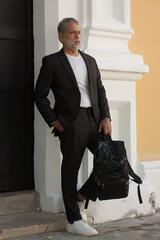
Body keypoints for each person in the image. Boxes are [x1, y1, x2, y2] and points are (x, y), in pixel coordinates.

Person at [35, 17, 112, 236]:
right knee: (70, 170)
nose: (77, 36)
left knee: (110, 162)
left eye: (78, 32)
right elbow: (39, 96)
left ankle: (81, 196)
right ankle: (73, 219)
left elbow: (101, 90)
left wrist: (106, 118)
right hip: (71, 121)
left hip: (95, 120)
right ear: (61, 36)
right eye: (72, 33)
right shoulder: (52, 62)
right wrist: (54, 120)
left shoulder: (90, 60)